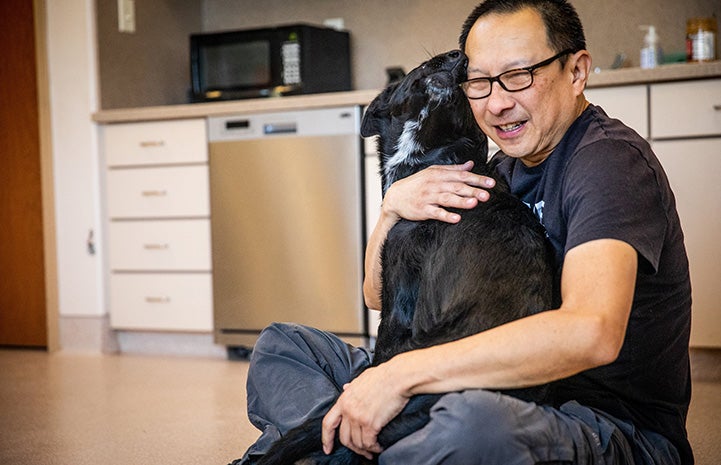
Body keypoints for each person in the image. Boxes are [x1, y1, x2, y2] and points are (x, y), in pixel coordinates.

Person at [234, 0, 693, 464]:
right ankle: (357, 441)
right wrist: (390, 211)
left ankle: (332, 446)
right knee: (283, 347)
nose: (496, 103)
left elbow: (591, 332)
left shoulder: (608, 162)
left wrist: (402, 376)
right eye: (479, 81)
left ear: (577, 71)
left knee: (469, 425)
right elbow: (378, 296)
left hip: (601, 424)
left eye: (519, 75)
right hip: (471, 381)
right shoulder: (500, 170)